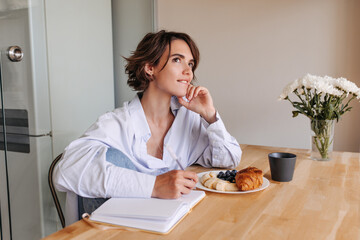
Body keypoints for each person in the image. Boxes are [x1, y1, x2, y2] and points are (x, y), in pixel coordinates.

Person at [53, 30, 242, 225]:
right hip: (115, 231)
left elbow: (229, 159)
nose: (188, 71)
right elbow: (65, 171)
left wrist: (209, 115)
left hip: (167, 225)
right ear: (150, 68)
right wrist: (154, 185)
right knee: (112, 157)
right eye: (177, 60)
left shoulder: (188, 120)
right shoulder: (118, 122)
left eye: (191, 63)